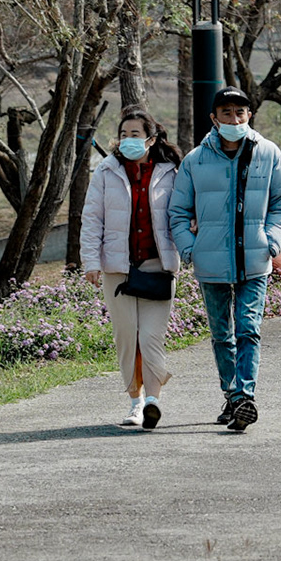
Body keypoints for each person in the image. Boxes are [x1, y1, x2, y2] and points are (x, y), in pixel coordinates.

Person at [169, 87, 281, 433]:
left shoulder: (268, 153)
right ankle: (233, 395)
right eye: (226, 113)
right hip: (210, 264)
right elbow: (178, 212)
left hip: (255, 261)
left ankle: (244, 396)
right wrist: (190, 249)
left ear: (249, 115)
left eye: (240, 112)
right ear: (214, 118)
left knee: (249, 329)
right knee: (222, 334)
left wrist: (271, 241)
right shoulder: (195, 160)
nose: (234, 119)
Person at [80, 108, 183, 429]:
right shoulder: (106, 171)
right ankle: (135, 402)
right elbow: (91, 219)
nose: (127, 140)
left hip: (158, 267)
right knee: (128, 337)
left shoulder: (171, 172)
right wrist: (91, 262)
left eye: (135, 134)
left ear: (151, 140)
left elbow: (182, 214)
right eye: (123, 134)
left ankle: (153, 401)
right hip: (117, 269)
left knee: (151, 337)